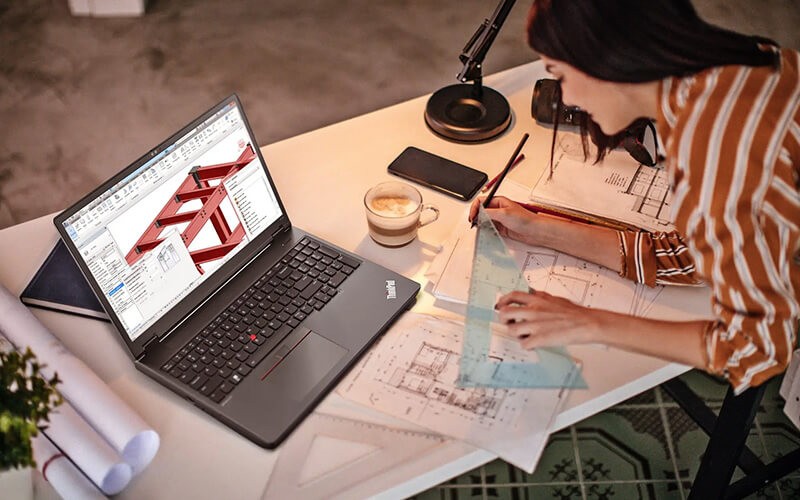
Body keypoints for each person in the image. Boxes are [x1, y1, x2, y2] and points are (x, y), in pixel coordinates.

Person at [470, 0, 800, 394]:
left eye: (560, 75)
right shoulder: (735, 68)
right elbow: (692, 253)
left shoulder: (714, 145)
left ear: (605, 56)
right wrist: (539, 228)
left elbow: (757, 349)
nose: (567, 99)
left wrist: (586, 322)